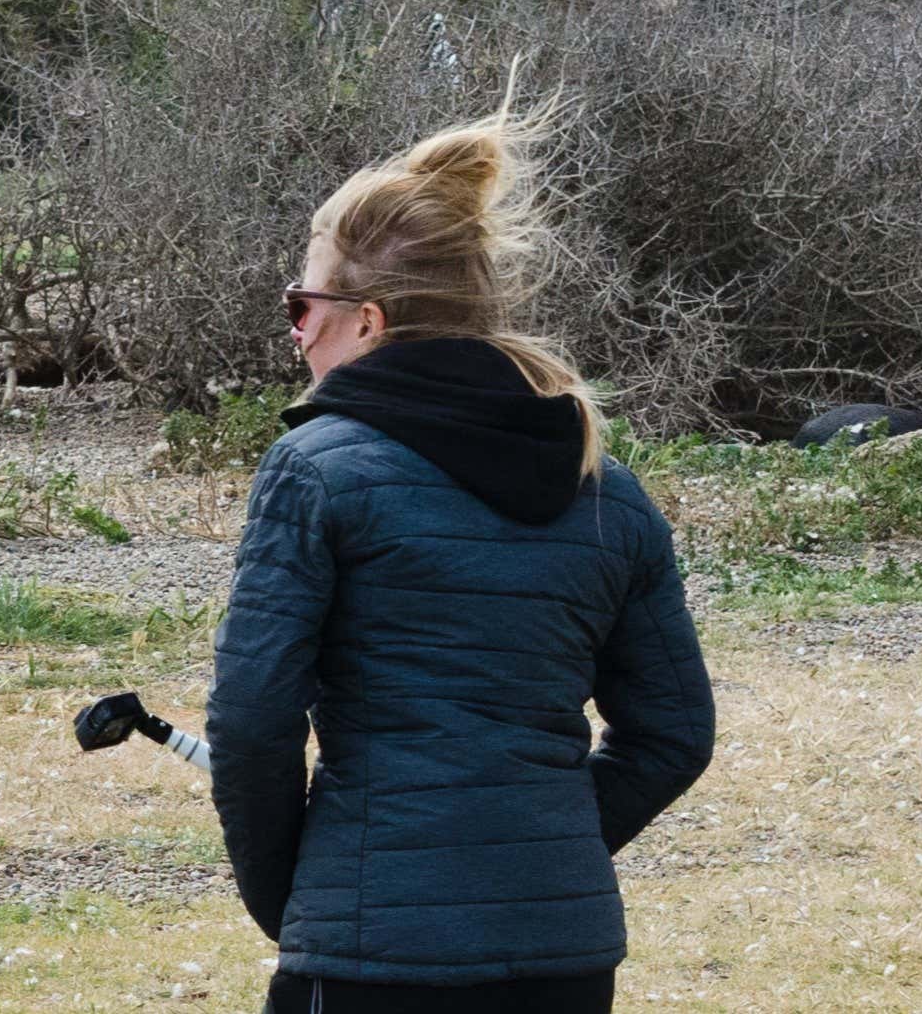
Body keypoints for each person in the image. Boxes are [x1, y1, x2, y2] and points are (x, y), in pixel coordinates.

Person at [211, 108, 716, 1014]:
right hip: (562, 960)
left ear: (365, 321)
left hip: (372, 952)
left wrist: (297, 896)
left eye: (301, 305)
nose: (292, 330)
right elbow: (673, 733)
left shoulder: (314, 469)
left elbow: (253, 723)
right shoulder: (608, 485)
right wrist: (538, 852)